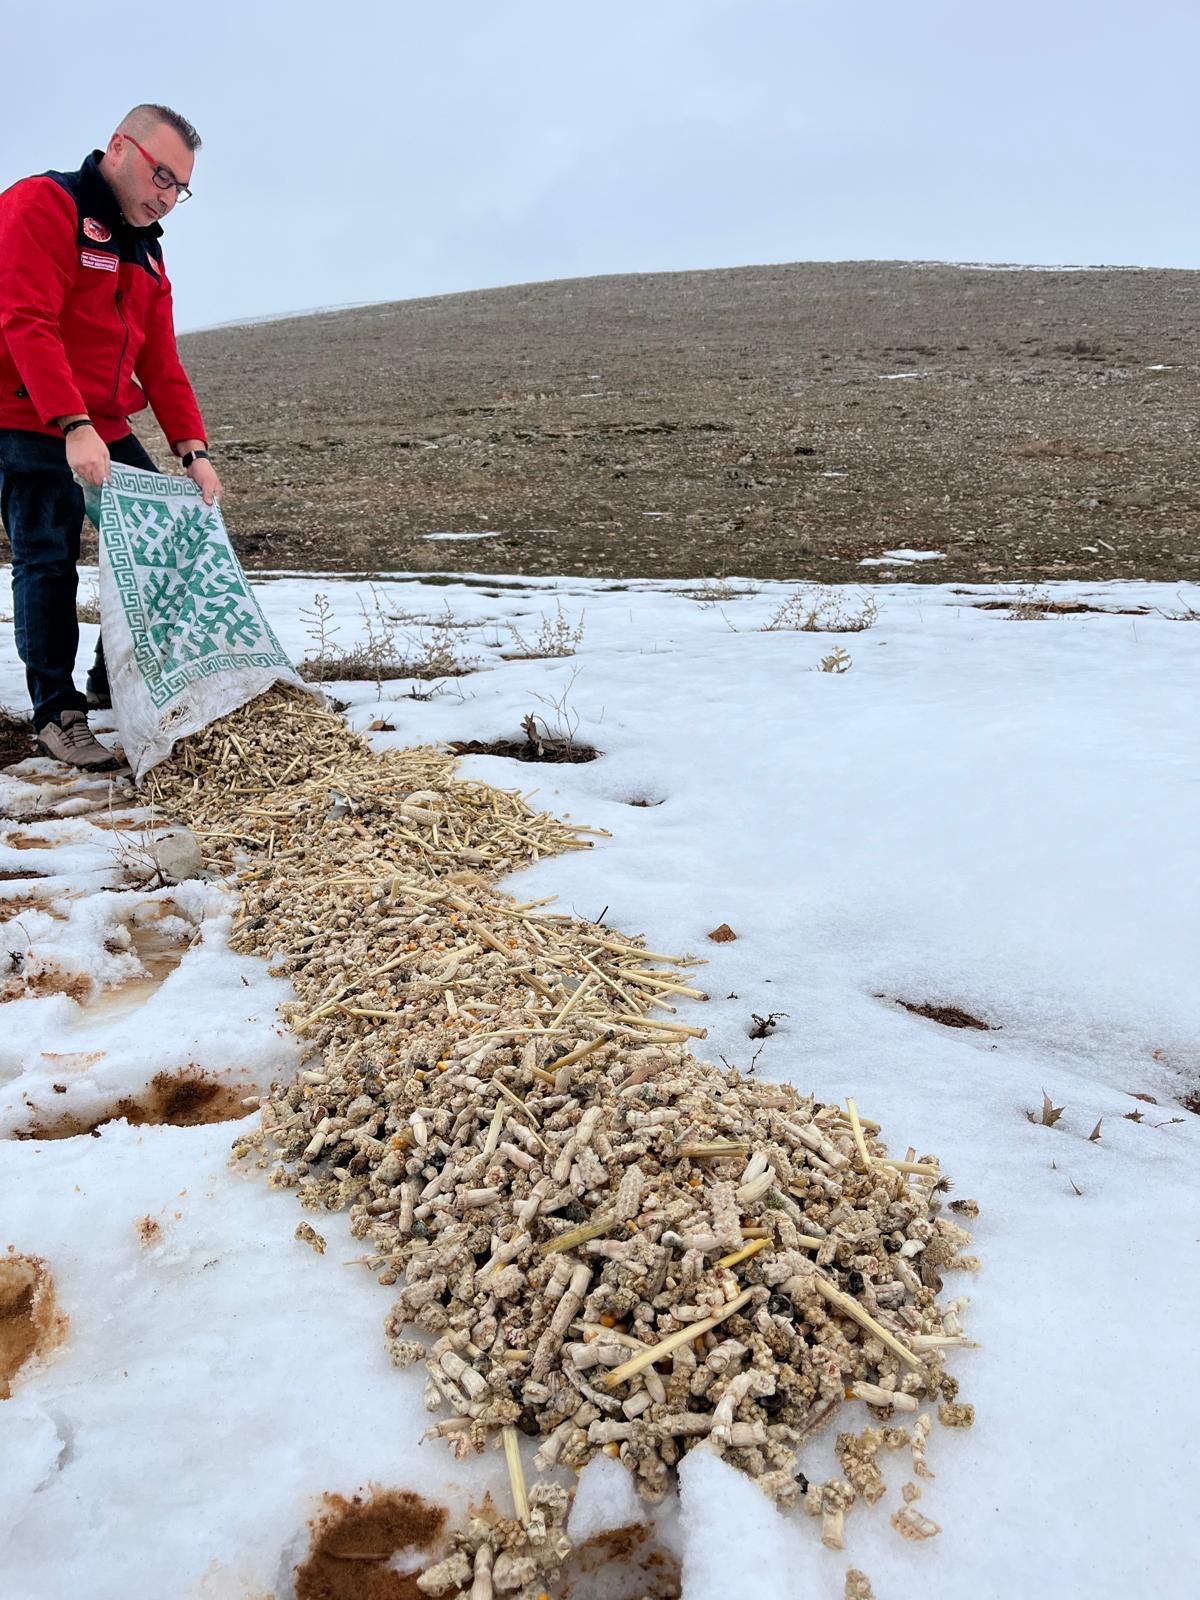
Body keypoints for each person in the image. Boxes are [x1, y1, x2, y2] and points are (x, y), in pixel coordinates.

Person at [0, 105, 224, 771]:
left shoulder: (146, 248)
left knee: (166, 537)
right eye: (161, 175)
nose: (168, 196)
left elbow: (160, 359)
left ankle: (112, 677)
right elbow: (26, 319)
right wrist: (72, 425)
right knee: (48, 556)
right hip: (27, 414)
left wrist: (193, 449)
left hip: (105, 424)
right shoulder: (46, 204)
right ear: (120, 148)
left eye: (180, 187)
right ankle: (56, 713)